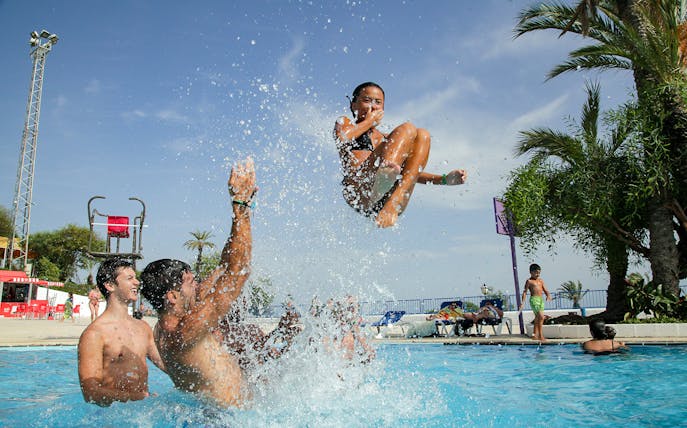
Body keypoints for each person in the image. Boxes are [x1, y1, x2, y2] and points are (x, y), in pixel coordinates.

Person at [139, 158, 262, 408]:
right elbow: (239, 272)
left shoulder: (166, 326)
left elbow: (225, 266)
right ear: (172, 296)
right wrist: (239, 206)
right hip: (228, 422)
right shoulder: (185, 331)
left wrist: (242, 208)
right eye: (190, 281)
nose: (197, 285)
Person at [333, 81, 468, 228]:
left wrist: (444, 179)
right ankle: (384, 178)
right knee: (407, 129)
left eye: (378, 102)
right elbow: (343, 138)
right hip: (361, 193)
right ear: (354, 105)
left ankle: (393, 200)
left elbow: (410, 172)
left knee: (422, 135)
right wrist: (370, 121)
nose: (372, 106)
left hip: (386, 199)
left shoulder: (387, 140)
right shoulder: (345, 123)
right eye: (366, 100)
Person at [77, 258, 165, 406]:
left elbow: (165, 364)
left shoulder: (143, 328)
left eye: (135, 278)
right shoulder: (95, 334)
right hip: (111, 417)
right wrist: (138, 398)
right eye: (130, 278)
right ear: (110, 285)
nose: (137, 282)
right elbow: (90, 392)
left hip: (141, 414)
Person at [519, 263, 552, 341]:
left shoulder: (541, 281)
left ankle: (534, 335)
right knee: (541, 316)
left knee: (537, 318)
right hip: (534, 300)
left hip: (541, 300)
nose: (538, 274)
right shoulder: (529, 281)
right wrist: (522, 302)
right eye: (536, 272)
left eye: (539, 273)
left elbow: (545, 289)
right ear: (531, 272)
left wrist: (548, 295)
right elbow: (524, 292)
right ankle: (540, 336)